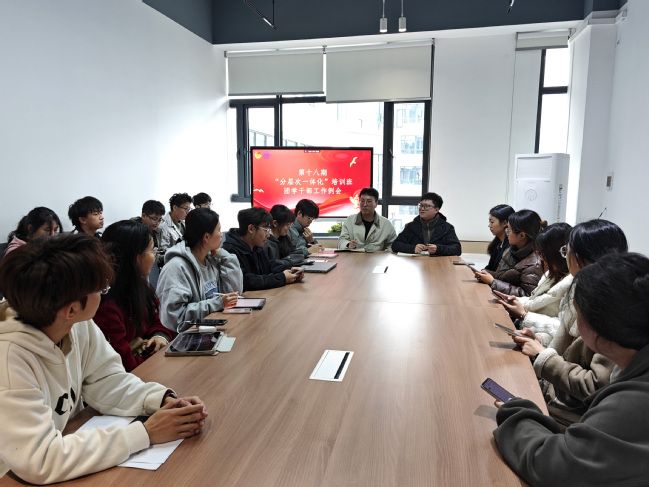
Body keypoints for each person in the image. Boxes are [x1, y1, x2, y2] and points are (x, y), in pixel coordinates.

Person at [0, 234, 207, 484]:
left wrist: (159, 400)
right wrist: (145, 433)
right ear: (71, 309)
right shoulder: (9, 358)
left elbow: (106, 380)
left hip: (63, 444)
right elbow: (40, 459)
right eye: (101, 289)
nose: (104, 294)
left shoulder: (74, 323)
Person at [493, 252, 649, 486]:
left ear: (594, 326)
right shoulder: (629, 363)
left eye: (577, 314)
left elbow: (554, 465)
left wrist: (517, 412)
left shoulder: (632, 403)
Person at [511, 219, 628, 424]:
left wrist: (543, 356)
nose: (565, 257)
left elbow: (595, 386)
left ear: (581, 257)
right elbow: (567, 344)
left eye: (567, 251)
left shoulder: (610, 306)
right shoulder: (582, 286)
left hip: (573, 418)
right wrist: (539, 340)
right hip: (556, 396)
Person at [94, 221, 175, 371]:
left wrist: (159, 336)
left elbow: (160, 320)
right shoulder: (107, 305)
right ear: (136, 257)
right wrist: (149, 353)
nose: (154, 256)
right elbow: (124, 364)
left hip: (151, 366)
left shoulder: (140, 287)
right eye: (151, 250)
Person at [156, 208, 242, 331]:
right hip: (188, 337)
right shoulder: (176, 268)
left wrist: (226, 257)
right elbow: (175, 318)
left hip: (212, 329)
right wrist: (216, 304)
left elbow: (233, 294)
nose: (221, 234)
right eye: (219, 230)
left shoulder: (211, 259)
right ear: (206, 237)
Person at [494, 223, 573, 345]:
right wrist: (515, 300)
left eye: (542, 254)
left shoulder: (572, 285)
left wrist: (524, 315)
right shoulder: (552, 274)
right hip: (532, 334)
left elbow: (564, 330)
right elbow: (534, 299)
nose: (540, 258)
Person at [223, 207, 304, 291]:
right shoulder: (231, 251)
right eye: (266, 230)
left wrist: (290, 271)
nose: (268, 235)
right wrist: (282, 278)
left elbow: (268, 267)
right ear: (251, 229)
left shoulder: (256, 246)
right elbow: (246, 281)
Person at [475, 209, 543, 296]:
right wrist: (488, 274)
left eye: (509, 230)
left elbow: (527, 295)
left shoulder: (535, 264)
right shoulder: (512, 250)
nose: (506, 233)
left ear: (522, 235)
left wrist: (493, 282)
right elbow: (504, 277)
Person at [391, 192, 461, 256]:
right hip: (415, 263)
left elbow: (457, 249)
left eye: (426, 206)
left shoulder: (447, 228)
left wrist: (438, 249)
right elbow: (395, 245)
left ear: (436, 210)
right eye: (421, 205)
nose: (422, 209)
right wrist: (412, 248)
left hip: (438, 263)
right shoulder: (411, 226)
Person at [337, 187, 397, 252]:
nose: (365, 204)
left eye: (369, 201)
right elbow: (341, 240)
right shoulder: (350, 220)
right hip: (354, 257)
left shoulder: (386, 224)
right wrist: (348, 244)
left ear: (376, 203)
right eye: (362, 201)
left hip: (376, 257)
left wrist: (385, 254)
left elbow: (393, 244)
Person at [265, 204, 303, 271]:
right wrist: (289, 260)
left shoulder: (284, 237)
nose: (289, 228)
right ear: (275, 223)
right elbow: (273, 266)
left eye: (290, 224)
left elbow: (297, 254)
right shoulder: (266, 242)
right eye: (287, 224)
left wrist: (285, 261)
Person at [485, 204, 515, 271]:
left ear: (504, 223)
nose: (489, 225)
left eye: (492, 222)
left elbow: (502, 274)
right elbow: (490, 267)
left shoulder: (511, 246)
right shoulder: (497, 243)